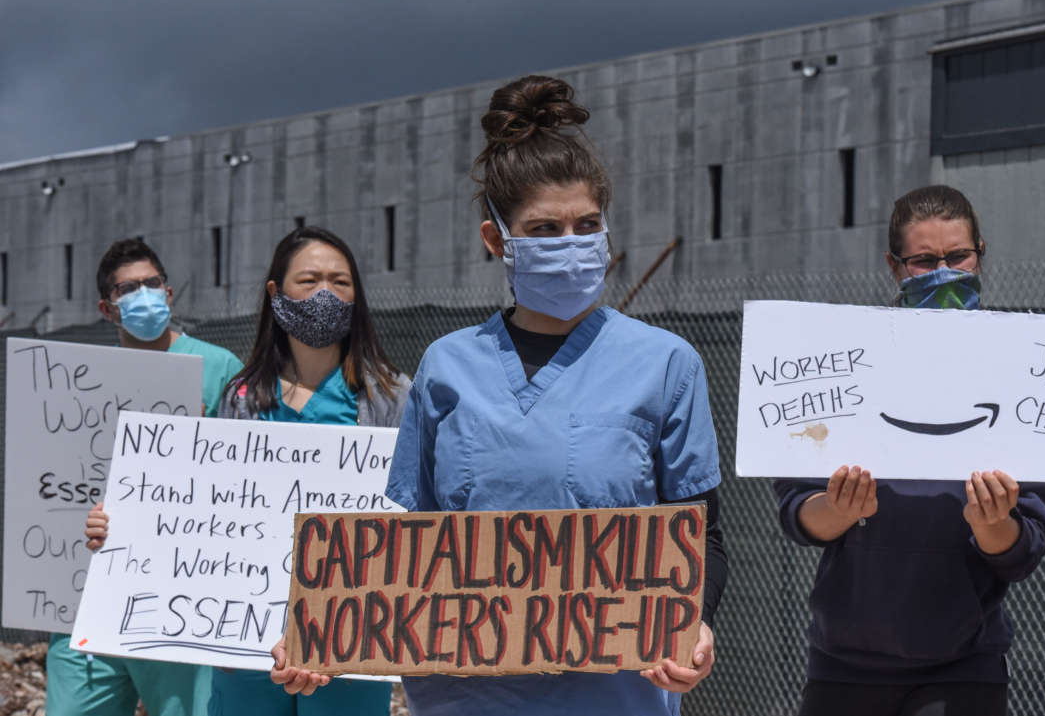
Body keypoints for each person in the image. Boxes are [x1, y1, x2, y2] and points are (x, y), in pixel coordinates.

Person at [269, 75, 728, 716]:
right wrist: (325, 635)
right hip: (465, 697)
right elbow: (413, 546)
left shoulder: (667, 364)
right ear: (497, 242)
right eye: (543, 230)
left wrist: (695, 625)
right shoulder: (446, 367)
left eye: (586, 224)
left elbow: (700, 534)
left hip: (616, 696)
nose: (570, 245)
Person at [773, 185, 1045, 716]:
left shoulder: (1022, 370)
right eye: (924, 261)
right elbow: (797, 513)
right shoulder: (844, 364)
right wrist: (837, 511)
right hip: (843, 668)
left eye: (959, 256)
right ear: (894, 266)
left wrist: (991, 524)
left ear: (981, 253)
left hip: (962, 671)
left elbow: (1025, 546)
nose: (944, 272)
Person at [209, 225, 411, 716]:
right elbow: (205, 512)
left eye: (340, 282)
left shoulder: (392, 396)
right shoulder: (239, 399)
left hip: (350, 637)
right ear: (276, 293)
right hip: (248, 641)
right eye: (310, 280)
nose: (326, 293)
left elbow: (412, 511)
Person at [50, 238, 242, 716]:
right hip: (87, 590)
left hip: (178, 595)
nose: (143, 295)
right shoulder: (74, 379)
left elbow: (246, 482)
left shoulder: (220, 369)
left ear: (169, 293)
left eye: (151, 284)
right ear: (106, 307)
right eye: (127, 288)